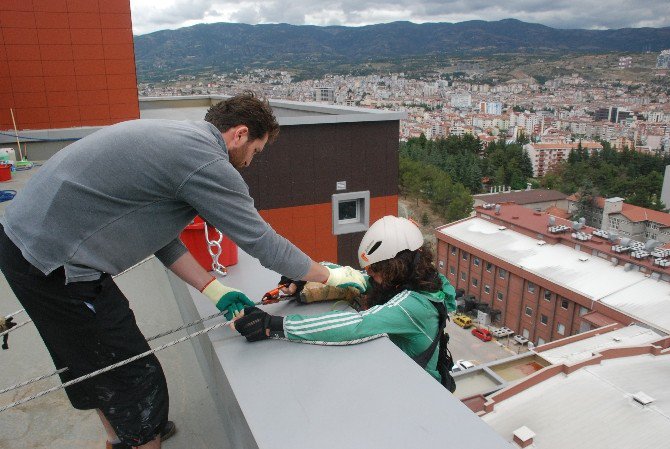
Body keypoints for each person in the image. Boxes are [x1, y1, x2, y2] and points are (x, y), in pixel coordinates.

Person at [0, 91, 365, 449]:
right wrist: (329, 276)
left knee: (90, 361)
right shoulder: (205, 161)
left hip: (27, 245)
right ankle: (139, 436)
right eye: (255, 151)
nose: (251, 162)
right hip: (53, 263)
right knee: (136, 381)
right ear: (239, 134)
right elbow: (261, 242)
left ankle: (120, 438)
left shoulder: (178, 138)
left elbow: (157, 235)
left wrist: (214, 289)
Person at [233, 215, 457, 389]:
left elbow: (355, 324)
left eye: (375, 269)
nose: (370, 274)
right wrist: (304, 278)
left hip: (417, 391)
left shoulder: (413, 305)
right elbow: (353, 277)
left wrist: (275, 326)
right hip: (400, 376)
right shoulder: (415, 281)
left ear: (395, 267)